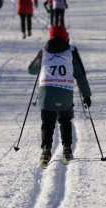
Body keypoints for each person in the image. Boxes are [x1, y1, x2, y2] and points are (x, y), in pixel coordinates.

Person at [28, 25, 92, 167]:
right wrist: (86, 95)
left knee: (47, 123)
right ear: (65, 36)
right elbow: (80, 75)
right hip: (65, 93)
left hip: (46, 94)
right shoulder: (71, 52)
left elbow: (31, 70)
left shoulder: (44, 52)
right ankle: (67, 150)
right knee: (65, 120)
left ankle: (46, 151)